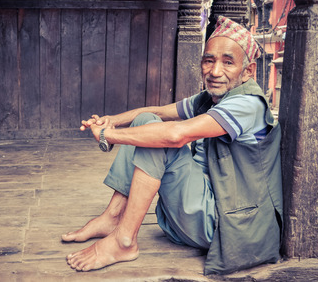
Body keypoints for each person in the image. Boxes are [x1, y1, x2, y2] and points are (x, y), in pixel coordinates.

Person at [62, 16, 283, 275]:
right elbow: (157, 112)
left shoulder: (248, 104)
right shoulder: (211, 99)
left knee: (160, 138)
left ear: (248, 71)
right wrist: (112, 121)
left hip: (231, 228)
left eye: (228, 62)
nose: (215, 71)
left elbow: (175, 136)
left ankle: (124, 241)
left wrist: (110, 136)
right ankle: (112, 217)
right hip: (199, 213)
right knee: (148, 122)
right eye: (209, 60)